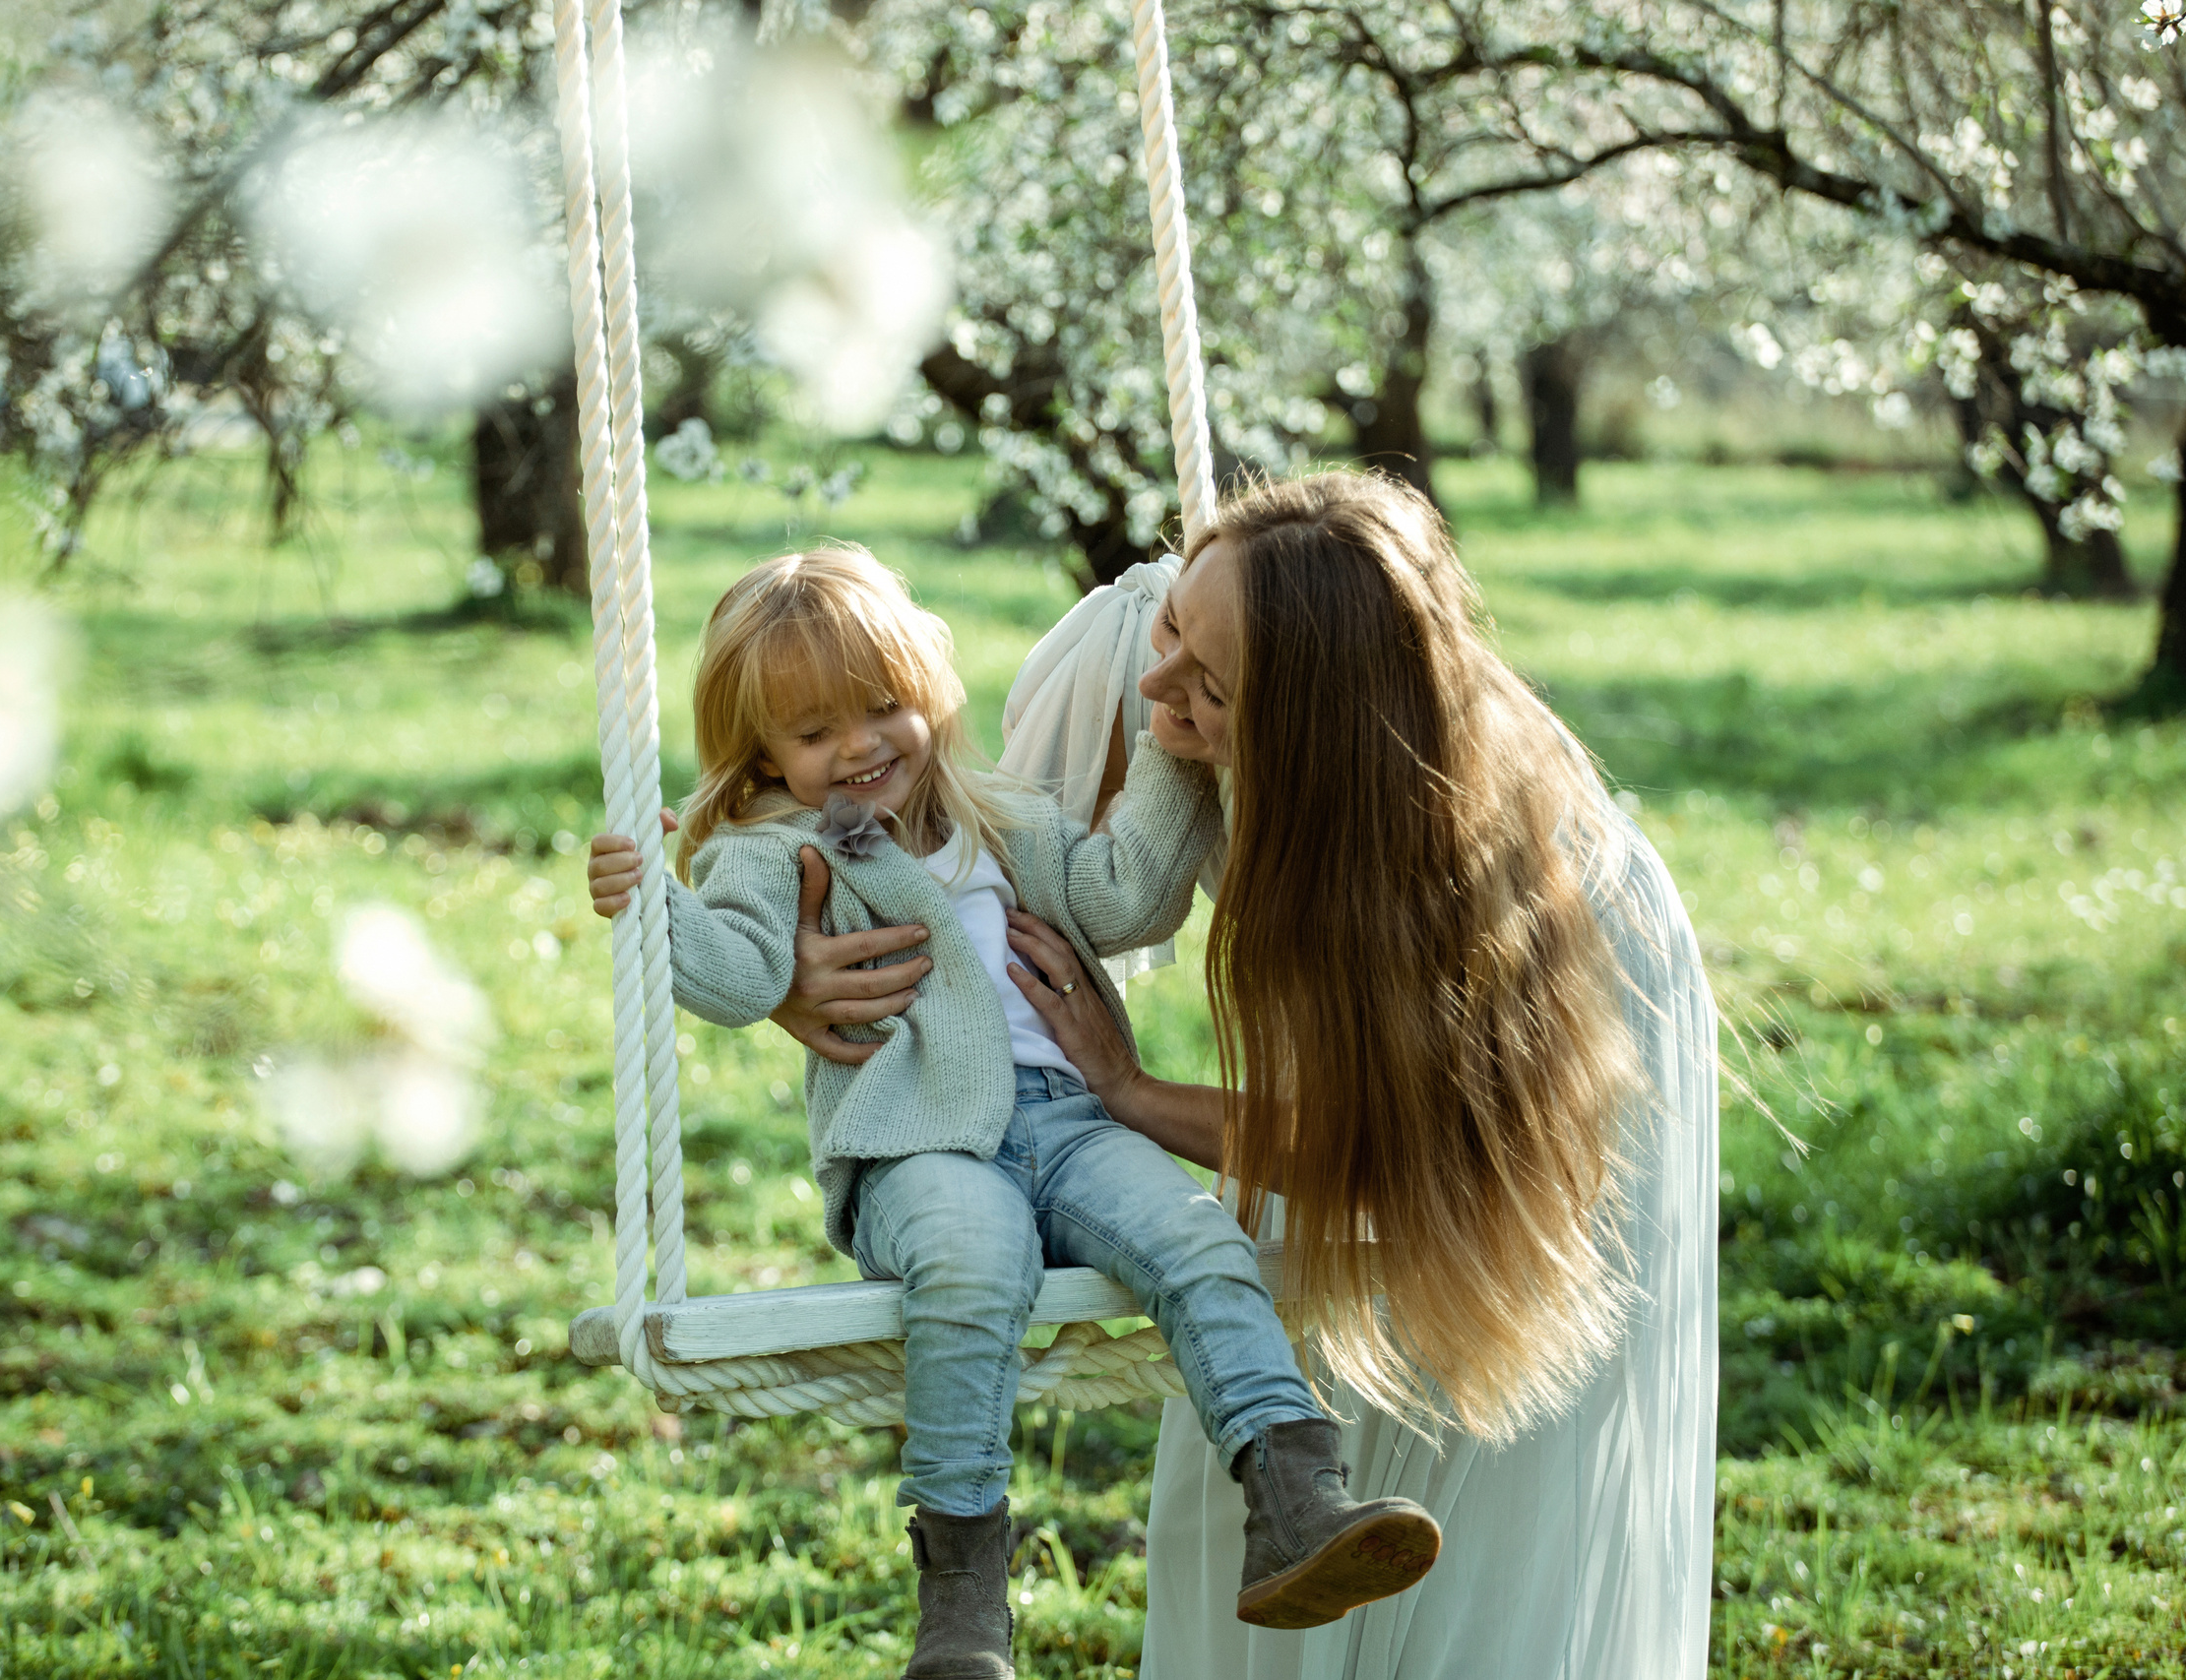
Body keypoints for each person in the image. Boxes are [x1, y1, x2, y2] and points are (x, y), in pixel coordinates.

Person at [773, 475, 1721, 1679]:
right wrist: (801, 968)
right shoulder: (1187, 623)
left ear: (1309, 738)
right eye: (1177, 624)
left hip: (1501, 1174)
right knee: (1227, 1521)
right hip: (1324, 1144)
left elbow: (1387, 1152)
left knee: (1481, 1554)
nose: (1159, 681)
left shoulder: (1470, 886)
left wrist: (1128, 1091)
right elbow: (948, 863)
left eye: (1211, 689)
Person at [585, 544, 1444, 1680]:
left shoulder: (1005, 823)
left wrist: (1175, 758)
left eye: (883, 706)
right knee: (973, 1264)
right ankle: (962, 1607)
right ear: (762, 756)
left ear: (929, 693)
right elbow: (741, 978)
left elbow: (1123, 897)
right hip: (917, 1146)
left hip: (1070, 1125)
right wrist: (653, 902)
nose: (857, 748)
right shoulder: (768, 850)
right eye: (811, 734)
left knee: (1198, 1239)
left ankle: (1294, 1494)